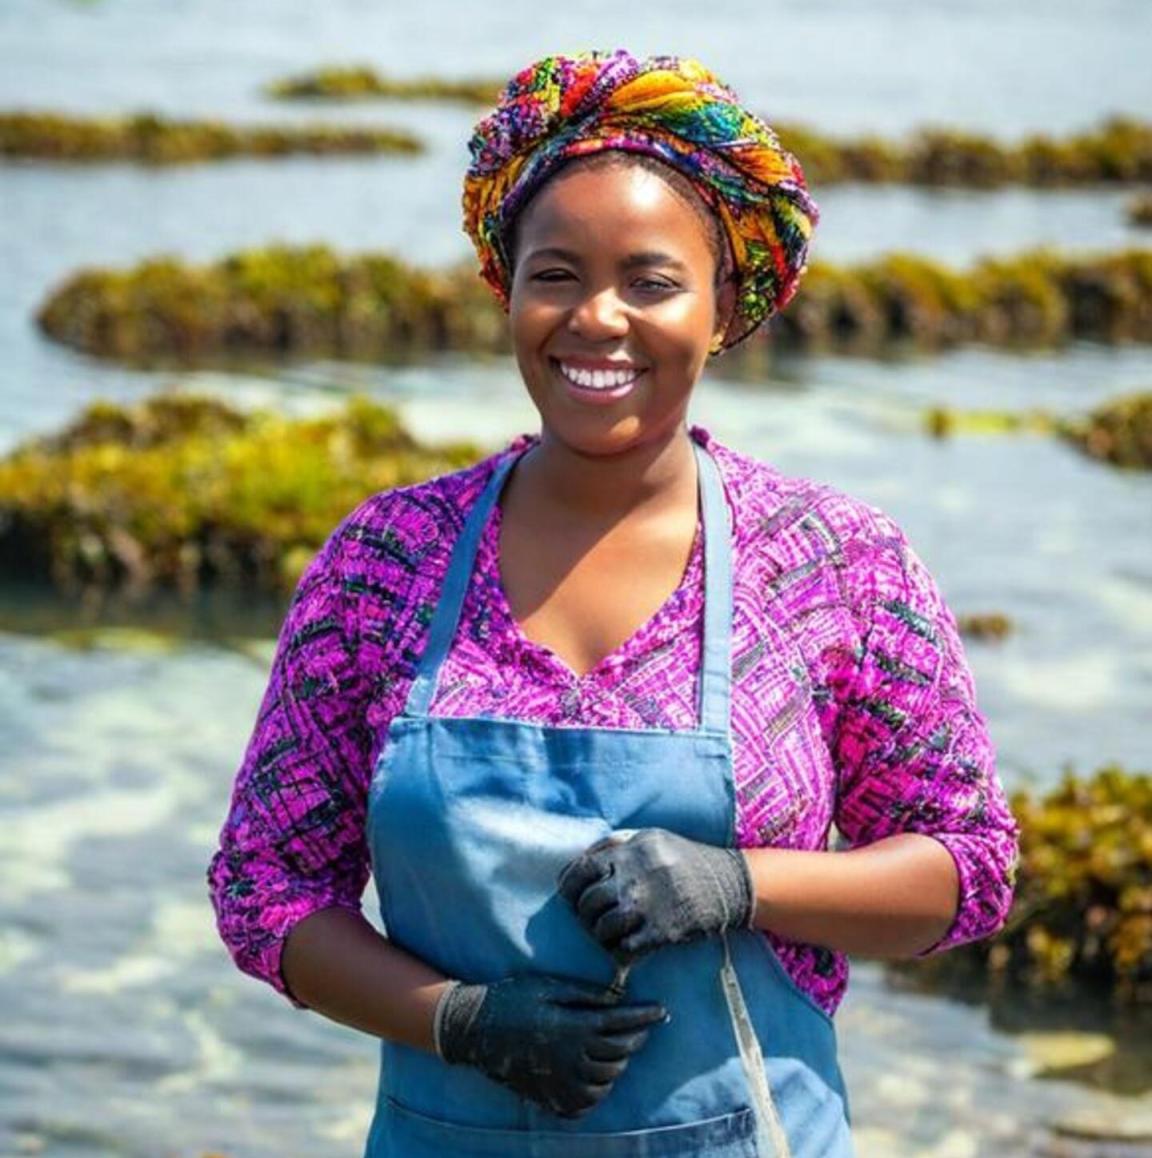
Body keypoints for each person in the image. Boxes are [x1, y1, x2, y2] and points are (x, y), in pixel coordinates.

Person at [208, 49, 1019, 1157]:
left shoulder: (836, 561)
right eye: (557, 275)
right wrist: (459, 1020)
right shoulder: (383, 560)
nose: (597, 319)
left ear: (726, 303)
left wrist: (741, 885)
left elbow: (962, 871)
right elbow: (266, 886)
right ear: (508, 287)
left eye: (650, 280)